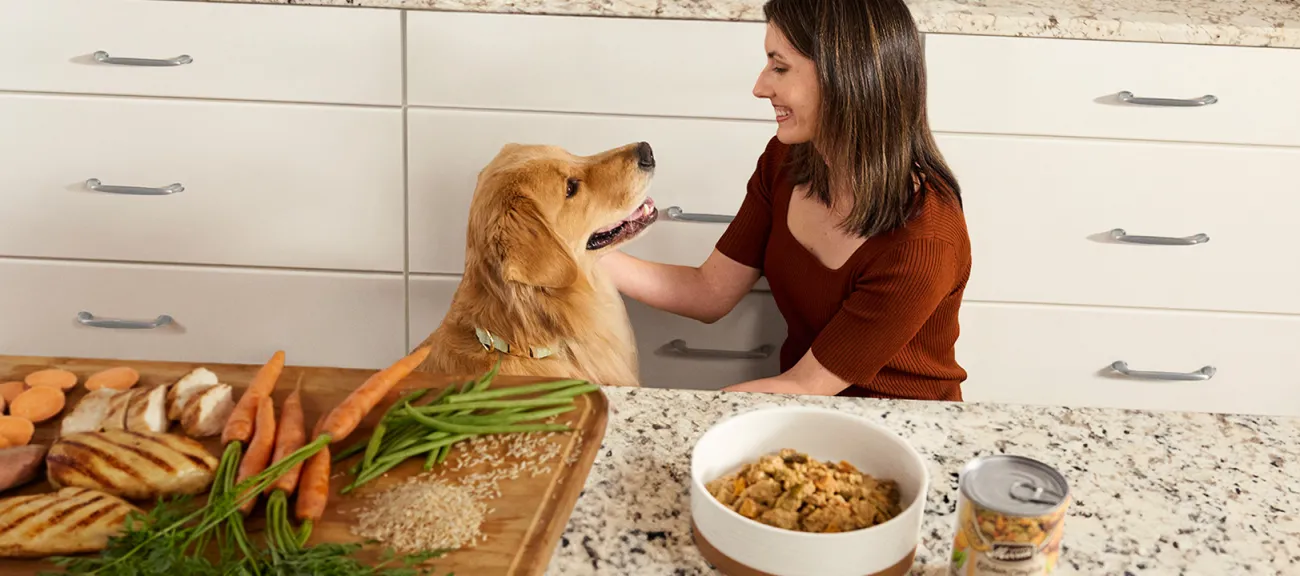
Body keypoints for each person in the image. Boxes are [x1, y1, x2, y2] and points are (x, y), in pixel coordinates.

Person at [600, 0, 972, 400]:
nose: (760, 87)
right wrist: (576, 251)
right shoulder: (785, 162)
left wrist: (692, 421)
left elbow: (805, 385)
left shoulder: (925, 242)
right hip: (803, 403)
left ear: (846, 77)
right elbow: (709, 291)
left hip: (907, 421)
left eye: (779, 68)